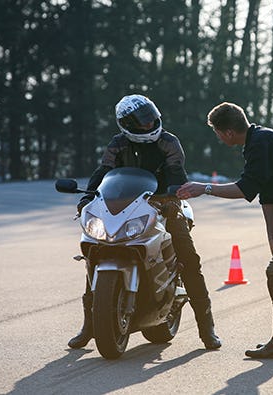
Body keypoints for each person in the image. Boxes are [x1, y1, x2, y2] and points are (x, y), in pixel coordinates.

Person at [68, 94, 221, 350]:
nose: (149, 125)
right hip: (126, 207)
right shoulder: (117, 144)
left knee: (190, 261)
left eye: (151, 119)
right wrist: (87, 197)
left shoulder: (169, 142)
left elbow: (176, 173)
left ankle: (207, 329)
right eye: (143, 122)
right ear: (126, 125)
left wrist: (172, 199)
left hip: (165, 204)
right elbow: (104, 171)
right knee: (97, 253)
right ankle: (89, 326)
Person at [176, 102, 273, 359]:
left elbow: (245, 189)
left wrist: (206, 187)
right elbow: (267, 195)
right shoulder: (257, 142)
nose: (218, 137)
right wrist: (271, 238)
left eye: (216, 132)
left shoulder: (261, 143)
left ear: (226, 132)